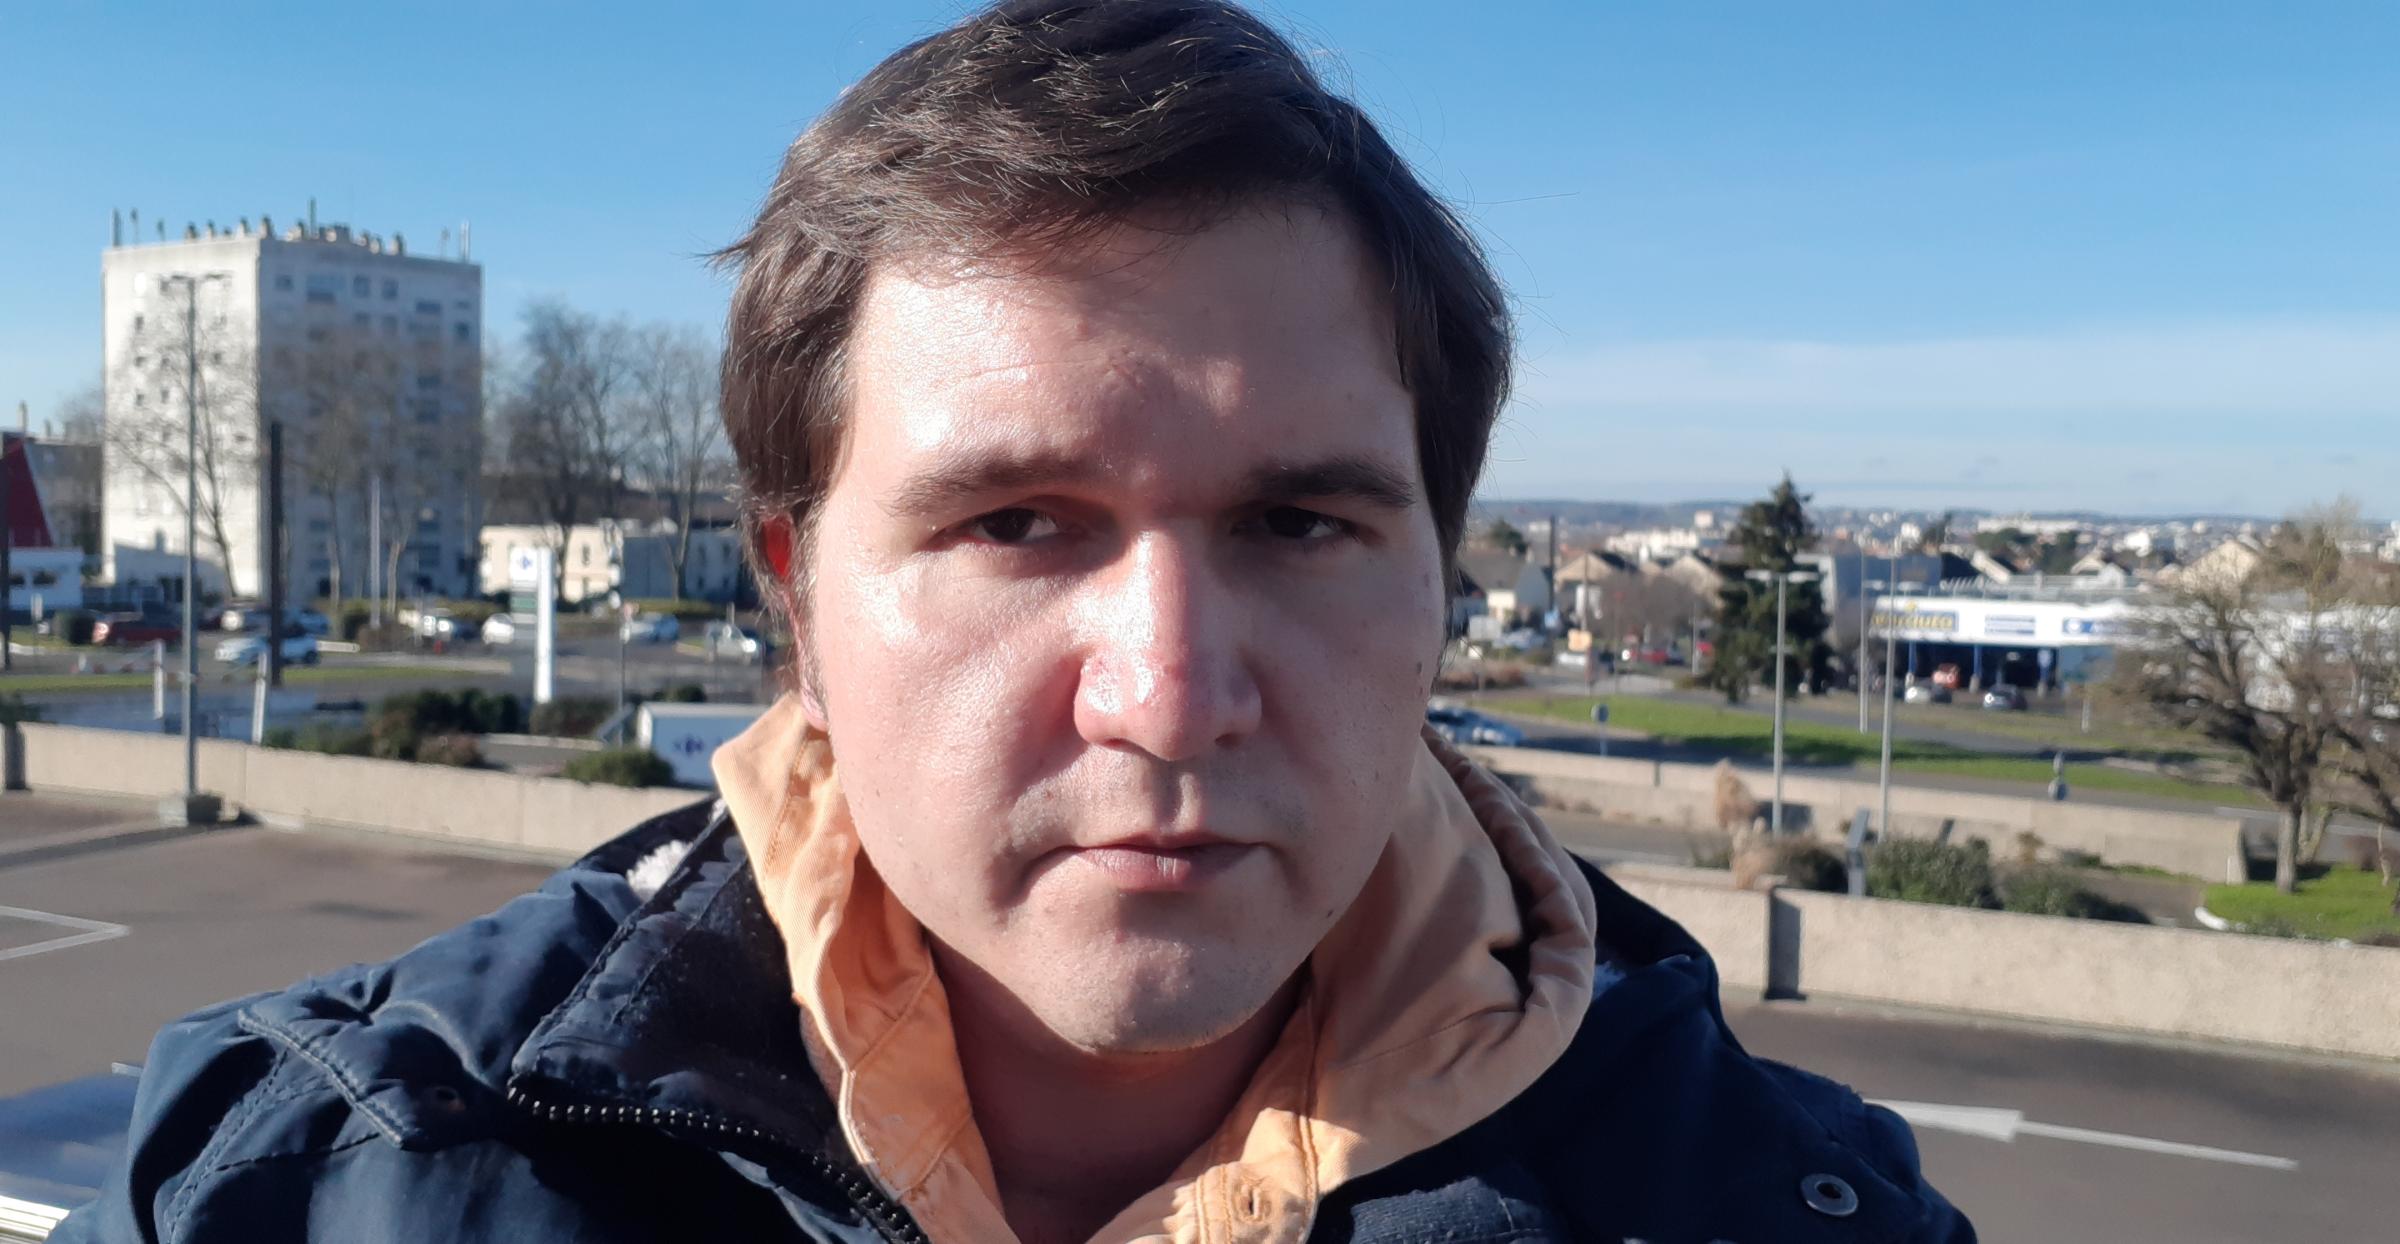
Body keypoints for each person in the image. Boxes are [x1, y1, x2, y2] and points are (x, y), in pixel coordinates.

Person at [58, 3, 1973, 1241]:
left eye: (1299, 523)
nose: (1170, 698)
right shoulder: (337, 1178)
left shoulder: (1779, 1209)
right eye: (1015, 524)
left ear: (1437, 585)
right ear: (798, 598)